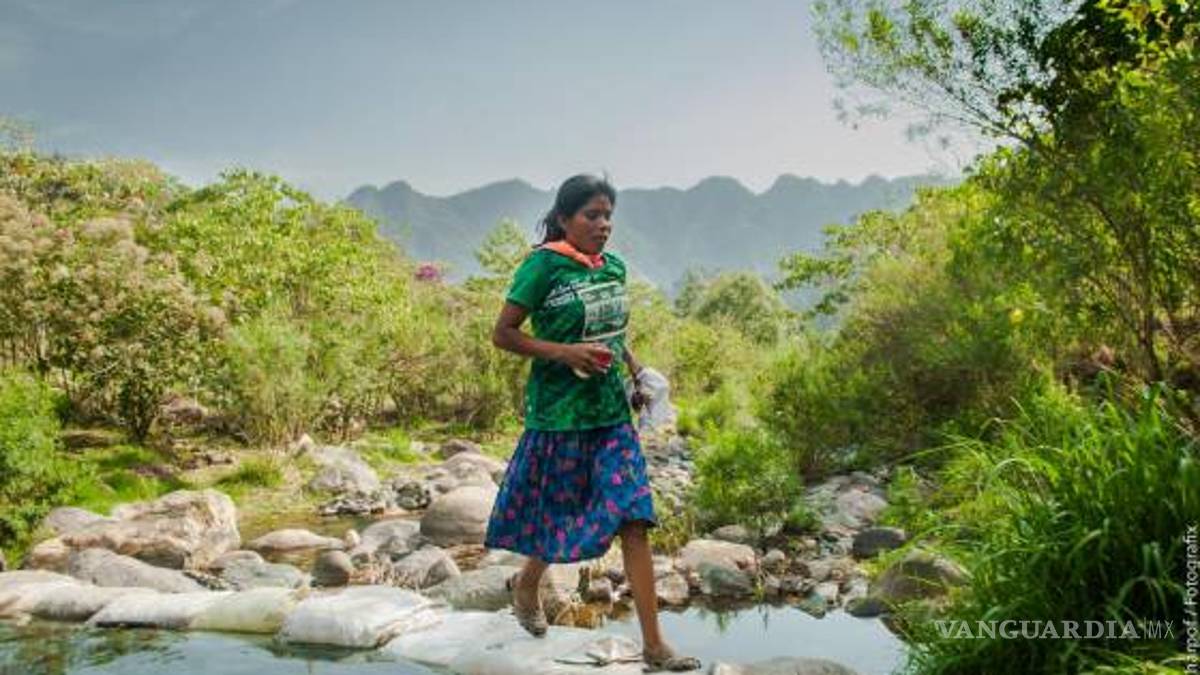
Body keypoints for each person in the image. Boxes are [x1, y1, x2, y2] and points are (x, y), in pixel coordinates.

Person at [485, 174, 701, 672]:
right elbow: (503, 333)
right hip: (560, 416)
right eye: (592, 216)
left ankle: (654, 647)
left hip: (610, 417)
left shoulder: (614, 268)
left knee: (634, 520)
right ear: (565, 219)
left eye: (608, 216)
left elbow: (613, 332)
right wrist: (564, 352)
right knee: (561, 515)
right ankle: (527, 583)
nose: (603, 225)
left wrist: (639, 373)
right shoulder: (543, 268)